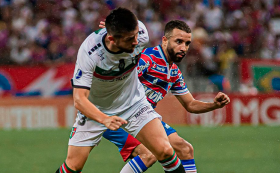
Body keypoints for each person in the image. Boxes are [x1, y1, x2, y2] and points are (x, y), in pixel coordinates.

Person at [56, 7, 186, 173]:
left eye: (136, 35)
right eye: (129, 39)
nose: (136, 42)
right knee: (73, 166)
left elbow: (126, 21)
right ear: (112, 39)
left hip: (133, 103)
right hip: (95, 110)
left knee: (165, 151)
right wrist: (104, 119)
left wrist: (115, 25)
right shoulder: (90, 53)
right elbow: (79, 99)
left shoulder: (141, 34)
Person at [99, 20, 230, 173]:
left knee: (185, 149)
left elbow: (191, 104)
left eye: (187, 43)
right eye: (178, 41)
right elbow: (120, 76)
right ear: (165, 40)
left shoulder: (173, 71)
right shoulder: (148, 59)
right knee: (149, 154)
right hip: (116, 115)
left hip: (143, 117)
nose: (183, 47)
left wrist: (214, 105)